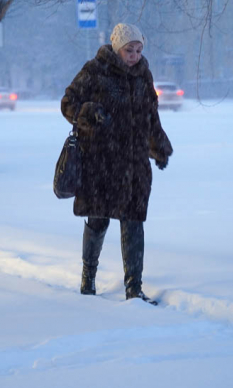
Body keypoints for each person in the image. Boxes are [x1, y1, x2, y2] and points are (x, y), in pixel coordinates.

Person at [61, 22, 173, 304]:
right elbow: (68, 102)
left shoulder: (143, 75)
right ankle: (88, 279)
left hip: (134, 162)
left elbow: (151, 114)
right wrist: (88, 112)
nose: (134, 55)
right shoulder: (94, 70)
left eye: (138, 50)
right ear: (117, 47)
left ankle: (134, 289)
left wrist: (158, 146)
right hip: (101, 159)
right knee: (98, 219)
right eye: (129, 50)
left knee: (134, 222)